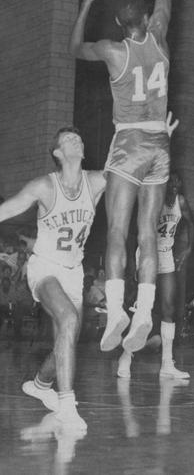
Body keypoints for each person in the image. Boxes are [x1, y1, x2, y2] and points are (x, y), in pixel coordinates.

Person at [69, 0, 194, 355]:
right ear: (143, 20)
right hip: (160, 145)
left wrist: (87, 2)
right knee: (148, 234)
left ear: (121, 24)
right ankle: (143, 314)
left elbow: (73, 48)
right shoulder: (159, 34)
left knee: (117, 230)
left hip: (128, 144)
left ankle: (118, 310)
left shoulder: (111, 50)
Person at [0, 126, 105, 432]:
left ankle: (41, 384)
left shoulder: (96, 181)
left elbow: (128, 167)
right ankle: (67, 407)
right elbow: (8, 208)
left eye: (80, 138)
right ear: (58, 153)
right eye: (70, 139)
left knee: (68, 337)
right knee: (69, 320)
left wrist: (155, 139)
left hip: (74, 272)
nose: (78, 140)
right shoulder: (45, 186)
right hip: (45, 267)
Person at [117, 171, 194, 379]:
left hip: (166, 254)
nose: (175, 189)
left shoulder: (180, 202)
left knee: (169, 307)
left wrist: (188, 248)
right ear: (162, 186)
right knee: (142, 308)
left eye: (178, 186)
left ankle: (167, 364)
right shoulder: (150, 199)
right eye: (172, 186)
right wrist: (135, 263)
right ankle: (126, 357)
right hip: (146, 253)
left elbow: (191, 223)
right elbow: (135, 233)